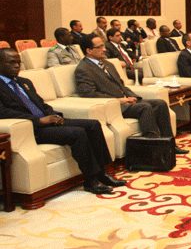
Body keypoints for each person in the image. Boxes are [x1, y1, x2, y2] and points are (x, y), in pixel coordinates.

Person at [0, 49, 124, 194]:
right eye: (11, 62)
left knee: (93, 124)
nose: (16, 66)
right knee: (77, 133)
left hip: (48, 121)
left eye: (18, 62)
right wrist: (39, 120)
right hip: (31, 129)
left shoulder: (24, 82)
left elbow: (41, 103)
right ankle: (91, 181)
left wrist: (52, 115)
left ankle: (102, 173)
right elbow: (3, 112)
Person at [75, 36, 187, 154]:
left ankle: (170, 146)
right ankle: (152, 151)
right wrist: (119, 100)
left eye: (103, 45)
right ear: (89, 50)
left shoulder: (108, 64)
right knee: (145, 107)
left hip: (126, 101)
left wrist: (133, 97)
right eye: (100, 47)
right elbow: (89, 93)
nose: (104, 49)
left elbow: (121, 85)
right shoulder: (83, 69)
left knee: (160, 103)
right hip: (113, 106)